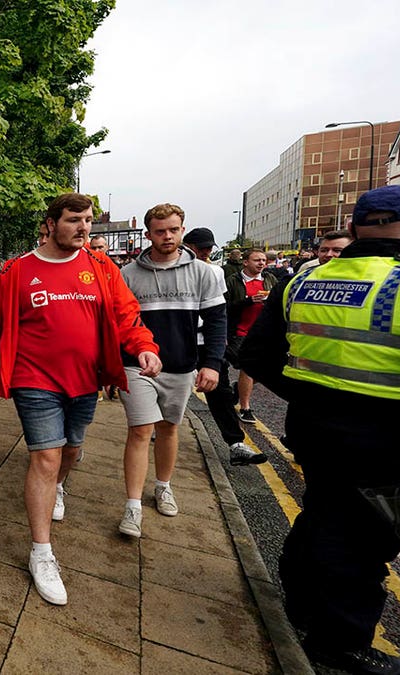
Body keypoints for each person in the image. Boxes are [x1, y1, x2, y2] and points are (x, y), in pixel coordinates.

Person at [238, 185, 400, 674]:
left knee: (323, 510)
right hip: (389, 441)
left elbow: (257, 356)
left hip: (314, 427)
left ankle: (299, 599)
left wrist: (309, 393)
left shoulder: (302, 284)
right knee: (364, 544)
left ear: (357, 227)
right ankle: (340, 641)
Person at [0, 192, 161, 606]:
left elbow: (126, 315)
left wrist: (144, 346)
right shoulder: (18, 272)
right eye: (75, 220)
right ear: (52, 223)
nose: (84, 227)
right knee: (46, 456)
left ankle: (57, 487)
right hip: (33, 379)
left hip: (84, 381)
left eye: (88, 220)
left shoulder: (101, 268)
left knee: (71, 451)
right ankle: (42, 552)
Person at [115, 207, 228, 537]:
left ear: (182, 231)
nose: (168, 236)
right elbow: (118, 323)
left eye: (174, 230)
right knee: (140, 429)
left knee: (168, 428)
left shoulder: (204, 274)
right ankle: (133, 507)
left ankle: (163, 486)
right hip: (135, 364)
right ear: (148, 234)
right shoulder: (128, 275)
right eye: (160, 231)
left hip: (180, 365)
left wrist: (212, 364)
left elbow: (218, 322)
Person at [182, 227, 267, 465]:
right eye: (201, 247)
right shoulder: (173, 269)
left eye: (209, 247)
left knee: (220, 392)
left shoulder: (214, 271)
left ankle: (235, 444)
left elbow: (219, 312)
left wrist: (221, 338)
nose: (205, 251)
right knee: (167, 388)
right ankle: (160, 427)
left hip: (205, 339)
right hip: (176, 340)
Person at [225, 249, 277, 424]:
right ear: (245, 262)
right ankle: (245, 408)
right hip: (240, 332)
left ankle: (238, 388)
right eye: (257, 260)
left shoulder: (270, 280)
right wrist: (248, 301)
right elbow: (225, 307)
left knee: (266, 370)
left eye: (263, 260)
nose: (262, 263)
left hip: (263, 331)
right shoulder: (233, 281)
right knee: (247, 367)